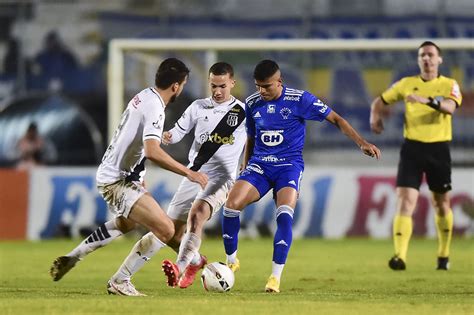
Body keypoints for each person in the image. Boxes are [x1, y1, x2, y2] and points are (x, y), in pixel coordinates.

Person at [49, 58, 208, 296]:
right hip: (117, 180)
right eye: (183, 85)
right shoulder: (155, 107)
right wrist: (189, 172)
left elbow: (133, 143)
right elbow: (153, 151)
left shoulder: (145, 95)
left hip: (121, 175)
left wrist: (140, 177)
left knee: (128, 223)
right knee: (165, 227)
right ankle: (120, 281)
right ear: (176, 86)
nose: (181, 89)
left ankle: (75, 256)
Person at [222, 60, 381, 293]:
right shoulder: (252, 103)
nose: (261, 91)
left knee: (284, 216)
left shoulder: (300, 99)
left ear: (279, 82)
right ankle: (231, 262)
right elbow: (251, 136)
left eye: (266, 86)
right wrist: (246, 164)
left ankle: (275, 278)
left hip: (289, 166)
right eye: (258, 86)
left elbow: (336, 119)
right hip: (260, 165)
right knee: (231, 206)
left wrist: (362, 143)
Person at [111, 62, 246, 293]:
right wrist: (162, 135)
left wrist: (248, 164)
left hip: (222, 178)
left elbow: (255, 138)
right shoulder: (198, 107)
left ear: (232, 83)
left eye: (222, 86)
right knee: (169, 232)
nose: (217, 91)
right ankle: (193, 263)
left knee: (198, 214)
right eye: (213, 85)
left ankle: (180, 266)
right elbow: (176, 134)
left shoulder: (244, 112)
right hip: (195, 174)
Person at [369, 41, 462, 271]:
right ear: (419, 60)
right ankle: (399, 256)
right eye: (423, 55)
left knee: (441, 204)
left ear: (439, 59)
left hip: (439, 148)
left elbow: (450, 108)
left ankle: (443, 255)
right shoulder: (407, 84)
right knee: (405, 200)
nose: (427, 59)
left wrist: (427, 101)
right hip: (412, 148)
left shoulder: (449, 84)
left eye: (431, 55)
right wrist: (375, 117)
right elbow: (379, 101)